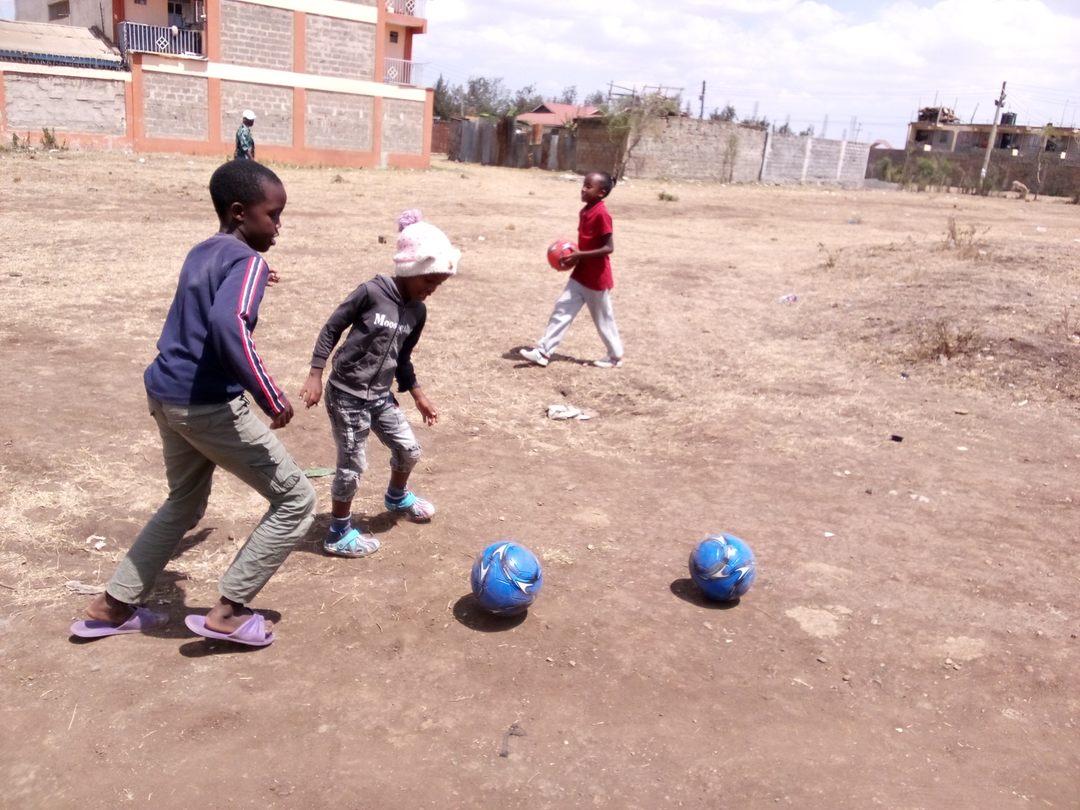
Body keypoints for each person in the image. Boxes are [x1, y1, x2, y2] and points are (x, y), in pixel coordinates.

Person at [70, 160, 315, 648]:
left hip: (166, 394)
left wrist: (255, 275)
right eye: (273, 215)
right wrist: (270, 394)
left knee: (183, 502)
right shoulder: (247, 262)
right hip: (207, 405)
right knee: (296, 500)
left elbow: (212, 300)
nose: (279, 225)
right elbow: (228, 325)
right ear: (240, 212)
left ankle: (112, 606)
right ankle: (229, 613)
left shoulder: (205, 251)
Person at [299, 210, 459, 558]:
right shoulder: (371, 292)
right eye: (429, 281)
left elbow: (403, 358)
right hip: (347, 394)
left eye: (437, 285)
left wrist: (418, 395)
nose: (431, 291)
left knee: (409, 449)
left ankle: (397, 496)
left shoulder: (417, 312)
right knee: (352, 465)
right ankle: (338, 532)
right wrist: (316, 373)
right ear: (410, 268)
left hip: (380, 396)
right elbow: (332, 327)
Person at [519, 171, 624, 369]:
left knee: (603, 319)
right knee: (562, 308)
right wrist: (573, 254)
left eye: (589, 186)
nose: (583, 189)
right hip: (580, 274)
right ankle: (543, 351)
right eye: (583, 185)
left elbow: (608, 248)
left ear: (601, 193)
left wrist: (579, 255)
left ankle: (615, 357)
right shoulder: (585, 211)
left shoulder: (602, 214)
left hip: (597, 278)